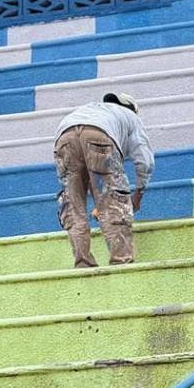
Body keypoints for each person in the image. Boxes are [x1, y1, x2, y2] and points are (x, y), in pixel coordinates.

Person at [53, 92, 154, 268]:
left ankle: (82, 262)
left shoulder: (93, 109)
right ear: (132, 109)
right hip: (99, 135)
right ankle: (121, 260)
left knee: (72, 204)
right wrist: (139, 191)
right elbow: (144, 160)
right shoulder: (131, 117)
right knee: (113, 201)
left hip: (64, 136)